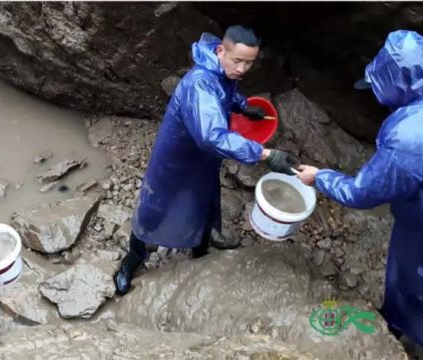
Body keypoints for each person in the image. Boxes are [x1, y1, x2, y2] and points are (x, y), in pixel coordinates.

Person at [114, 25, 299, 295]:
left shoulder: (222, 68)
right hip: (176, 159)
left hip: (203, 161)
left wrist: (242, 105)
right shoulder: (199, 83)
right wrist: (265, 154)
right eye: (238, 61)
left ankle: (200, 249)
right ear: (221, 50)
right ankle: (133, 258)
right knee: (154, 208)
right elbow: (212, 135)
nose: (242, 69)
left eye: (249, 63)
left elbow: (224, 92)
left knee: (203, 201)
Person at [297, 30, 423, 349]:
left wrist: (320, 176)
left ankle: (408, 332)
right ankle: (395, 321)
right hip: (417, 214)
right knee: (403, 274)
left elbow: (363, 193)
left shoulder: (410, 137)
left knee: (417, 281)